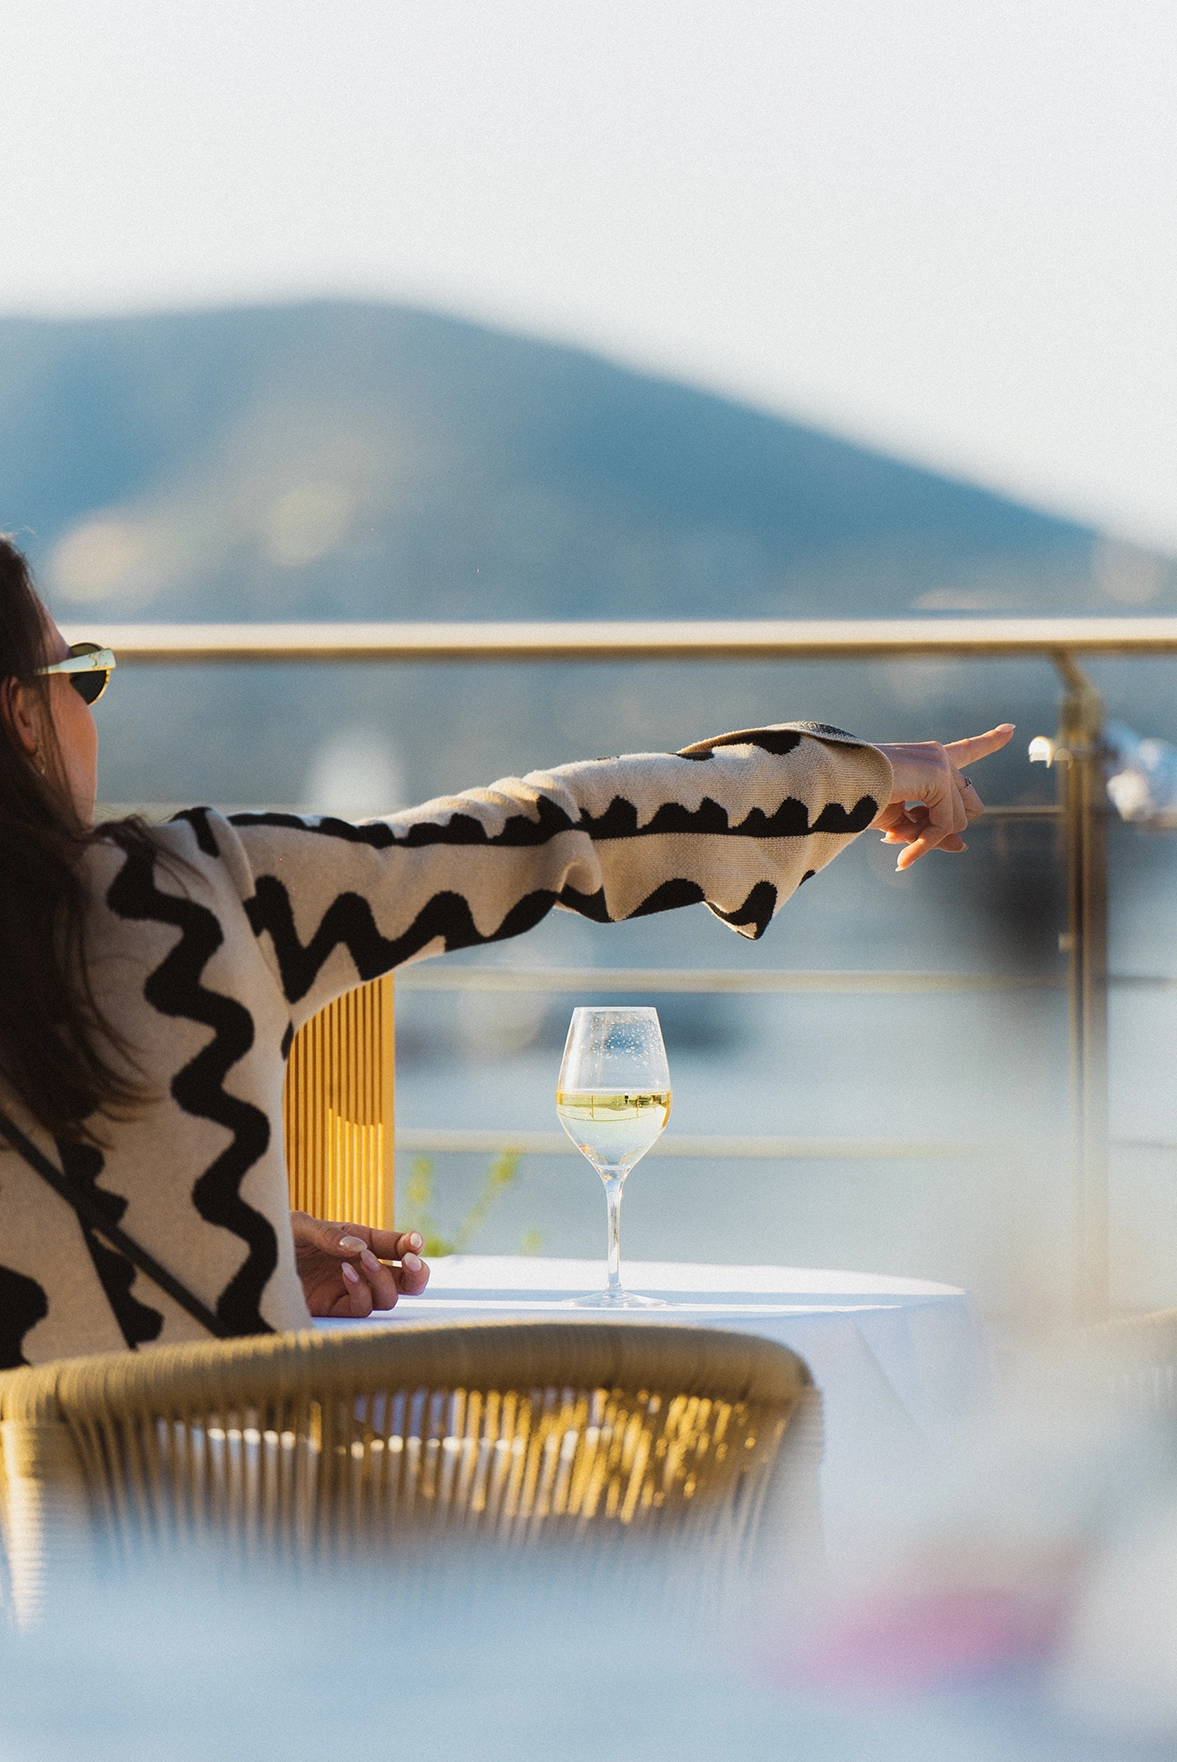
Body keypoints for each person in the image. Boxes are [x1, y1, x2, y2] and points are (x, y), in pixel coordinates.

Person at [0, 535, 1013, 1366]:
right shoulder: (199, 897)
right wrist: (859, 774)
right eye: (76, 673)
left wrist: (235, 1232)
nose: (91, 706)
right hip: (234, 1553)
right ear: (20, 717)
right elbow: (546, 833)